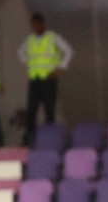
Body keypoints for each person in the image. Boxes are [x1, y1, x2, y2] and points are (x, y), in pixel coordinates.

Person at [18, 12, 73, 145]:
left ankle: (50, 140)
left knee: (49, 110)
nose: (35, 27)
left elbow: (69, 51)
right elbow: (20, 52)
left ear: (43, 24)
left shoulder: (52, 37)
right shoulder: (30, 40)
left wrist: (61, 68)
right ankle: (31, 140)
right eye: (33, 25)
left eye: (38, 24)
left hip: (48, 79)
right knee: (31, 110)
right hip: (34, 79)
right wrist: (28, 62)